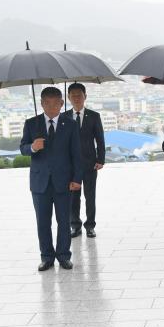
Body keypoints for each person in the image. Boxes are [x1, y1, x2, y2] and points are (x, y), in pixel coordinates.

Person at [19, 86, 83, 272]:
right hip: (40, 183)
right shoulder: (32, 124)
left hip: (64, 181)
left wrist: (77, 179)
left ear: (62, 104)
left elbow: (77, 154)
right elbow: (22, 148)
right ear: (41, 103)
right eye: (47, 103)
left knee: (64, 221)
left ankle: (64, 256)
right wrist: (33, 147)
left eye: (55, 103)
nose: (51, 107)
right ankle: (46, 257)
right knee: (43, 221)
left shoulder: (70, 124)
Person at [67, 83, 105, 239]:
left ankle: (90, 226)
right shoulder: (64, 117)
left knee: (90, 196)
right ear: (68, 97)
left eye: (79, 95)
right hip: (70, 166)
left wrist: (100, 159)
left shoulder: (94, 116)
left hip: (90, 163)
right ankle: (75, 225)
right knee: (73, 198)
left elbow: (100, 139)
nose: (76, 98)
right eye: (73, 95)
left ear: (85, 96)